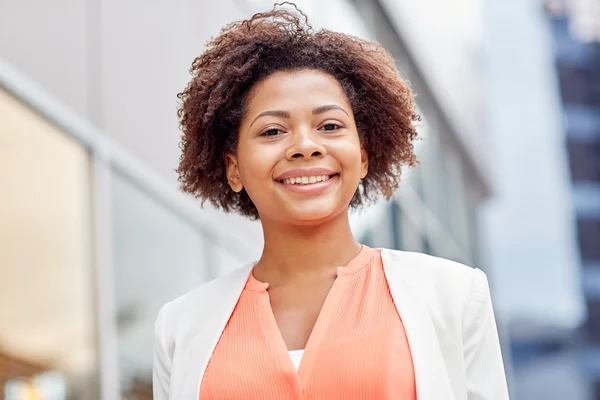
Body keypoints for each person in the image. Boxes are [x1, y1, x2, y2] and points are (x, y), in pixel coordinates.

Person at [152, 5, 509, 400]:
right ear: (233, 169)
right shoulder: (180, 327)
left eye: (330, 126)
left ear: (364, 156)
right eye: (273, 130)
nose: (305, 146)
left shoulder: (455, 296)